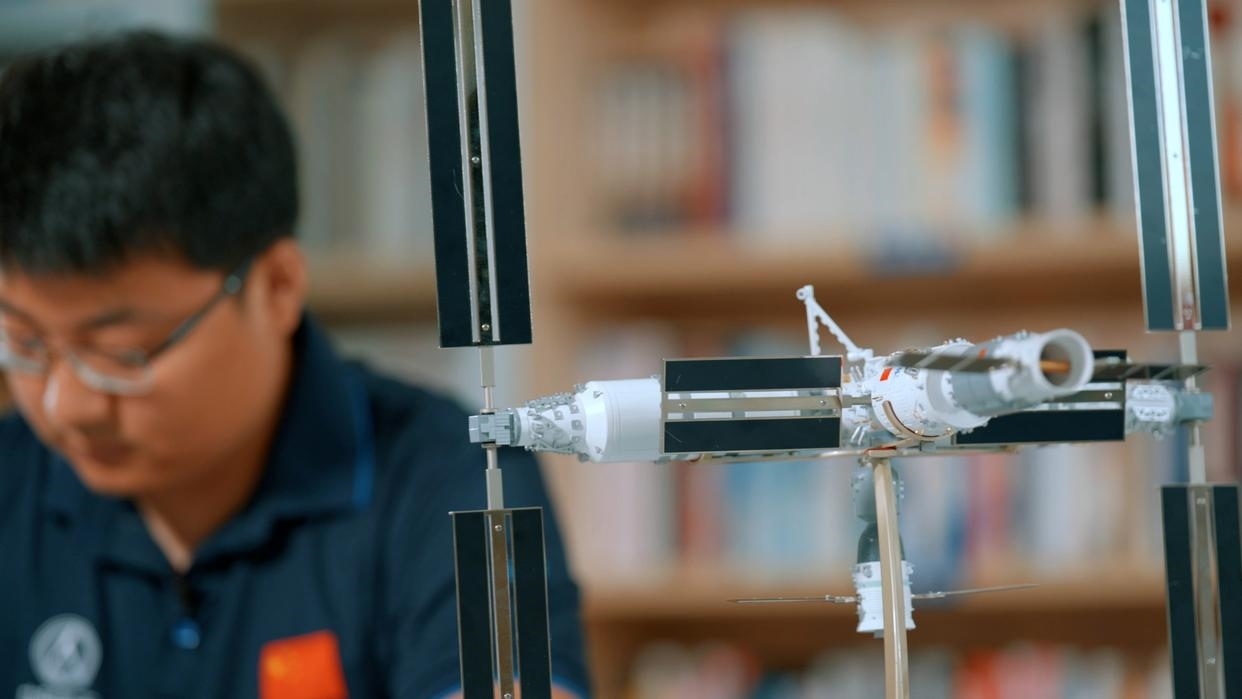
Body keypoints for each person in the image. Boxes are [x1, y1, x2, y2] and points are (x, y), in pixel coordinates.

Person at [0, 31, 588, 698]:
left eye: (119, 354)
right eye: (25, 343)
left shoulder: (459, 480)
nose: (68, 404)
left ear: (277, 286)